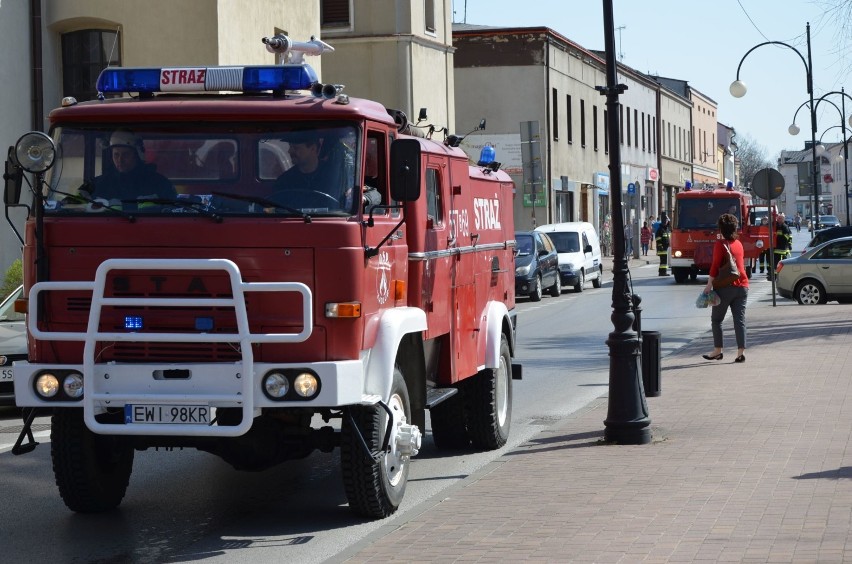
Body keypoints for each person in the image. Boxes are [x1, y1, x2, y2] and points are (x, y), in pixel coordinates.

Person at [702, 213, 749, 363]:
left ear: (721, 229)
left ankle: (718, 350)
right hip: (742, 286)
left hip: (725, 287)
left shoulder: (720, 244)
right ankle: (740, 353)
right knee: (739, 320)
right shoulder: (739, 244)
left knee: (716, 320)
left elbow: (715, 267)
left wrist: (709, 285)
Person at [84, 130, 176, 204]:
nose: (120, 160)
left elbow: (173, 211)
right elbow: (74, 205)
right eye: (116, 155)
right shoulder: (97, 185)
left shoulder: (160, 184)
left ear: (137, 155)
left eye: (126, 154)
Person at [768, 213, 792, 281]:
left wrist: (789, 244)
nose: (779, 220)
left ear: (783, 219)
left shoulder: (785, 227)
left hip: (783, 248)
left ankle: (782, 276)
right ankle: (774, 276)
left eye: (781, 218)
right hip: (775, 248)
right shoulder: (775, 225)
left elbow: (789, 237)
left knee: (782, 263)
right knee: (775, 263)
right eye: (778, 218)